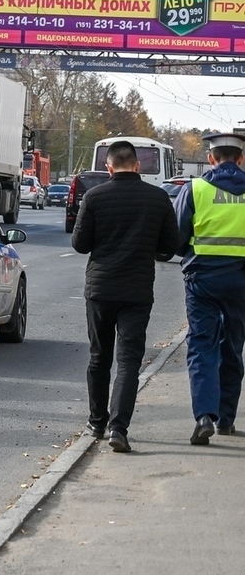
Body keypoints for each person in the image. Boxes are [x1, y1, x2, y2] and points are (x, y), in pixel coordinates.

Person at [72, 139, 180, 453]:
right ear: (137, 165)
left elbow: (80, 244)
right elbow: (168, 247)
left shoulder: (94, 197)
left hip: (100, 289)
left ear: (108, 166)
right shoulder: (158, 198)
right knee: (129, 361)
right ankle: (119, 428)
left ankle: (97, 420)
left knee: (98, 357)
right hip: (137, 290)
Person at [174, 132, 245, 445]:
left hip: (201, 282)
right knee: (233, 346)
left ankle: (204, 415)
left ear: (211, 158)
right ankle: (226, 420)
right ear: (240, 159)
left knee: (202, 345)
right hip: (241, 282)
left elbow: (177, 238)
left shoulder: (195, 189)